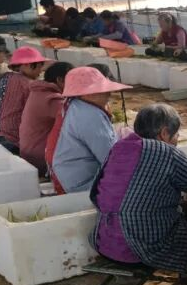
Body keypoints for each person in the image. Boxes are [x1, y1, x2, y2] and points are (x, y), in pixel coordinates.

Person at [90, 104, 187, 277]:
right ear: (164, 133)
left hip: (105, 244)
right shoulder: (164, 152)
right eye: (176, 135)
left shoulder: (119, 147)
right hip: (145, 251)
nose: (177, 140)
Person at [48, 66, 131, 194]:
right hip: (81, 184)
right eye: (103, 90)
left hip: (66, 175)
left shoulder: (75, 105)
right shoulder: (90, 115)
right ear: (88, 93)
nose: (109, 94)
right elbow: (111, 158)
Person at [0, 46, 48, 153]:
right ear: (27, 65)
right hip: (12, 141)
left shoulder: (6, 77)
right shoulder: (27, 84)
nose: (40, 70)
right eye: (39, 66)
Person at [19, 61, 73, 174]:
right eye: (73, 80)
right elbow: (78, 119)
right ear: (60, 80)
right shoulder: (52, 99)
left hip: (29, 153)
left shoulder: (39, 92)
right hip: (40, 158)